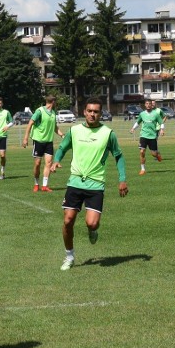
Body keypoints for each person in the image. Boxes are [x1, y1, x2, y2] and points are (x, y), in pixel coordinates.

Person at [50, 98, 128, 271]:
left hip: (96, 184)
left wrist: (122, 179)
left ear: (101, 114)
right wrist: (56, 160)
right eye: (90, 111)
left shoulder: (108, 134)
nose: (93, 114)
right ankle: (69, 256)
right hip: (75, 182)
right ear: (84, 112)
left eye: (96, 112)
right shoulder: (74, 131)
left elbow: (119, 156)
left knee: (91, 223)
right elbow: (63, 147)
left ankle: (93, 231)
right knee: (68, 220)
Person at [22, 95, 64, 192]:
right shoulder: (39, 111)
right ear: (53, 102)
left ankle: (44, 186)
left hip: (49, 142)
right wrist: (25, 138)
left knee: (48, 163)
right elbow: (30, 123)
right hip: (38, 141)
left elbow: (55, 127)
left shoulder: (53, 113)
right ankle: (36, 184)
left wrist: (62, 135)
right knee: (37, 164)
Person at [129, 100, 165, 175]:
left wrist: (162, 130)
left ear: (151, 105)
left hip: (152, 136)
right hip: (143, 135)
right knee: (142, 152)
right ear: (145, 105)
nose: (148, 105)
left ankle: (157, 154)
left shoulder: (156, 114)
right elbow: (138, 122)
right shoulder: (142, 114)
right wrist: (133, 128)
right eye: (147, 103)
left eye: (150, 104)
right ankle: (143, 169)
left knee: (153, 154)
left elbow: (161, 122)